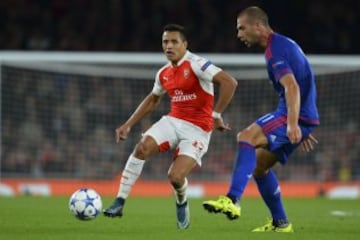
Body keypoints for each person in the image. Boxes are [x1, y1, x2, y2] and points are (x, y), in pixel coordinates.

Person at [103, 23, 238, 229]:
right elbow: (153, 100)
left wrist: (216, 114)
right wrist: (128, 124)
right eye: (165, 41)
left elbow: (230, 82)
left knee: (175, 177)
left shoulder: (197, 64)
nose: (169, 46)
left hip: (198, 129)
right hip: (173, 121)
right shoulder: (164, 73)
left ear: (185, 44)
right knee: (141, 147)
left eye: (174, 41)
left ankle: (181, 201)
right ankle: (119, 202)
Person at [202, 6, 320, 233]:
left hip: (290, 115)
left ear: (258, 26)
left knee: (246, 136)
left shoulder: (275, 51)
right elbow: (305, 78)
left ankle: (232, 200)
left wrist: (295, 122)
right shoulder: (285, 44)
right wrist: (305, 121)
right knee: (259, 167)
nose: (239, 34)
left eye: (242, 28)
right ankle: (281, 223)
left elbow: (293, 86)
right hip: (299, 116)